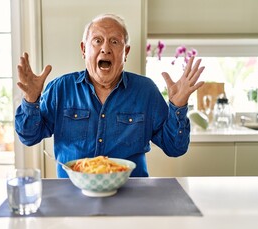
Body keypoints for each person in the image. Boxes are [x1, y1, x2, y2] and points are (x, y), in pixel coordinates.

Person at [15, 13, 205, 178]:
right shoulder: (60, 88)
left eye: (115, 41)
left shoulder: (145, 91)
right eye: (97, 40)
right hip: (74, 195)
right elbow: (29, 137)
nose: (105, 48)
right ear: (84, 49)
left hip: (132, 194)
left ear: (126, 52)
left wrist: (178, 106)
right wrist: (31, 101)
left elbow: (175, 148)